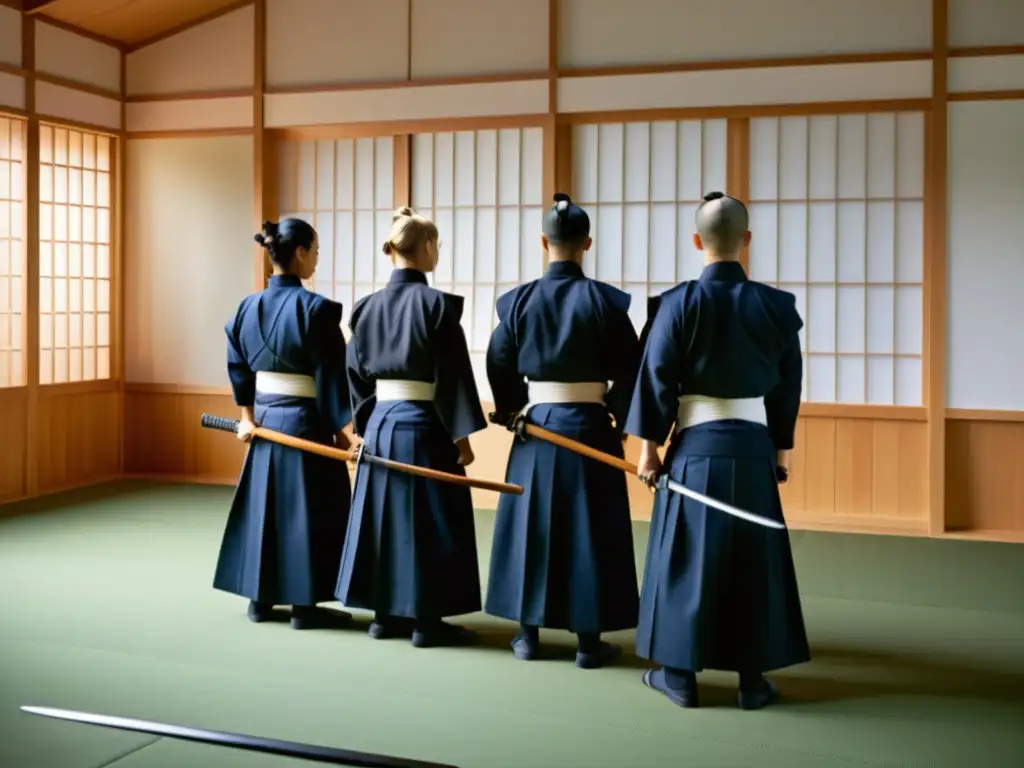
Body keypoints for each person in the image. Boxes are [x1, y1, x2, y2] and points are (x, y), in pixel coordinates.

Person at [625, 191, 811, 710]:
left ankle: (680, 677)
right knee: (752, 559)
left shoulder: (677, 304)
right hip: (753, 448)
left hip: (695, 450)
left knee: (687, 555)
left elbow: (656, 379)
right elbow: (787, 386)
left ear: (695, 241)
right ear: (746, 241)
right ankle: (752, 682)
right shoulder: (775, 307)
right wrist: (780, 452)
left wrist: (648, 451)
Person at [486, 193, 640, 669]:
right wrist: (616, 414)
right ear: (586, 244)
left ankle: (528, 634)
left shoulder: (518, 302)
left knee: (532, 525)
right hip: (592, 427)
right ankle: (588, 642)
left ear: (543, 243)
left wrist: (513, 409)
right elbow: (633, 367)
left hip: (537, 428)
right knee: (590, 529)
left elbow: (498, 361)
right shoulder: (607, 303)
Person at [334, 207, 486, 648]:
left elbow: (355, 373)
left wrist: (366, 424)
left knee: (384, 517)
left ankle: (383, 616)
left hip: (382, 424)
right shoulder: (437, 305)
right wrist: (462, 441)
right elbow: (453, 377)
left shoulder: (365, 309)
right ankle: (425, 621)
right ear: (427, 248)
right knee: (428, 521)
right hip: (426, 426)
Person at [214, 218, 353, 631]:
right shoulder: (316, 310)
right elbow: (332, 375)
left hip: (267, 421)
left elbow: (237, 364)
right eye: (316, 250)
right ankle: (304, 605)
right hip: (307, 421)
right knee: (305, 512)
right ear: (299, 253)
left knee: (267, 508)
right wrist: (342, 432)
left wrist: (247, 418)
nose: (317, 259)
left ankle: (261, 598)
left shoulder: (247, 307)